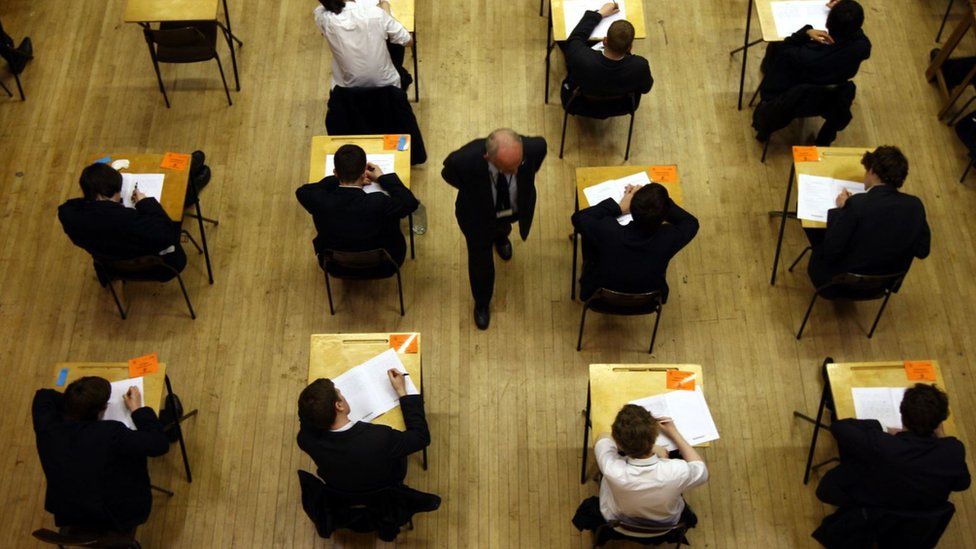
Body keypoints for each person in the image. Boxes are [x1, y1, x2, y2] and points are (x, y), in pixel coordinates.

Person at [32, 377, 170, 532]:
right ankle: (168, 422)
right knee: (143, 443)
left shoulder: (47, 427)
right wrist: (138, 409)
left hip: (70, 514)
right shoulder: (110, 434)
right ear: (101, 410)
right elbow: (159, 444)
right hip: (118, 515)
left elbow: (43, 395)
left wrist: (77, 402)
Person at [442, 129, 548, 329]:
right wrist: (474, 192)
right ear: (487, 158)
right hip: (478, 216)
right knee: (480, 262)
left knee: (503, 227)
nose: (516, 172)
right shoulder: (463, 160)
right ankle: (482, 303)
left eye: (519, 164)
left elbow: (535, 161)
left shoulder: (535, 147)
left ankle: (500, 238)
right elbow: (449, 175)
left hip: (513, 209)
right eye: (508, 169)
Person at [816, 383, 970, 510]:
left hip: (876, 502)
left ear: (902, 414)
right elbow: (962, 484)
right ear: (940, 422)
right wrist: (942, 438)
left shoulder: (882, 444)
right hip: (913, 515)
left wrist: (882, 427)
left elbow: (839, 428)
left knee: (835, 479)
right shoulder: (954, 450)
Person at [805, 146, 930, 289]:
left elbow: (830, 251)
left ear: (871, 170)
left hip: (838, 284)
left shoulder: (857, 204)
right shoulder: (915, 206)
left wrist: (842, 210)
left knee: (813, 226)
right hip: (881, 285)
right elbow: (922, 251)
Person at [573, 404, 708, 534]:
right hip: (666, 525)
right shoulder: (678, 470)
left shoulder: (612, 468)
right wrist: (673, 432)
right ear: (654, 437)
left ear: (619, 444)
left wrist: (633, 443)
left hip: (618, 521)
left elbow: (603, 438)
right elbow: (701, 470)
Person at [297, 369, 430, 492]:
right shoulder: (380, 438)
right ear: (339, 406)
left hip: (343, 492)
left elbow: (304, 417)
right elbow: (421, 437)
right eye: (340, 393)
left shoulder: (305, 440)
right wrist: (402, 391)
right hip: (386, 487)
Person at [58, 162, 187, 282]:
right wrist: (145, 202)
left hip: (112, 267)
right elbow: (167, 233)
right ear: (104, 193)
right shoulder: (127, 220)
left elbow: (71, 205)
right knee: (175, 218)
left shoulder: (67, 215)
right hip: (159, 267)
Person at [296, 144, 419, 267]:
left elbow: (302, 191)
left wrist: (337, 179)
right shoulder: (379, 202)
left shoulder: (319, 200)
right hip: (384, 264)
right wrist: (382, 178)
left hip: (335, 265)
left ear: (335, 172)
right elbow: (410, 202)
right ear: (364, 174)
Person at [571, 183, 698, 302]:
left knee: (589, 241)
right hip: (647, 300)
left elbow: (579, 217)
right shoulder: (668, 238)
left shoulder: (608, 230)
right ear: (664, 216)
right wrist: (659, 203)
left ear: (631, 207)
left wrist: (619, 207)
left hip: (599, 296)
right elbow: (691, 223)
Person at [759, 0, 871, 100]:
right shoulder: (862, 47)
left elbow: (784, 50)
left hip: (795, 92)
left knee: (775, 45)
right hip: (830, 90)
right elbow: (858, 35)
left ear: (827, 22)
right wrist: (846, 16)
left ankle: (766, 69)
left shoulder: (806, 55)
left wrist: (805, 33)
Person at [560, 3, 653, 109]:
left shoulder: (582, 58)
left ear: (605, 41)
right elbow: (645, 88)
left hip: (580, 105)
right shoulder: (640, 66)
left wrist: (599, 14)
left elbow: (575, 38)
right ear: (629, 47)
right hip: (620, 106)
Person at [313, 0, 414, 91]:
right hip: (387, 88)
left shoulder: (322, 17)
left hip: (345, 92)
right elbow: (408, 41)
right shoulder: (376, 14)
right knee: (396, 48)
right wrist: (386, 13)